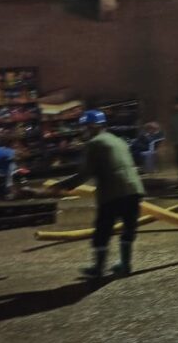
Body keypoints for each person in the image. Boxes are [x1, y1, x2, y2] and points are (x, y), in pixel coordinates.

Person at [53, 110, 145, 278]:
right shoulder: (118, 140)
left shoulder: (94, 143)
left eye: (85, 127)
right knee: (128, 228)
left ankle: (98, 268)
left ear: (94, 126)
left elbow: (85, 173)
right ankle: (125, 265)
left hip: (113, 192)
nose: (83, 130)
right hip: (134, 189)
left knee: (103, 230)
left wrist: (61, 186)